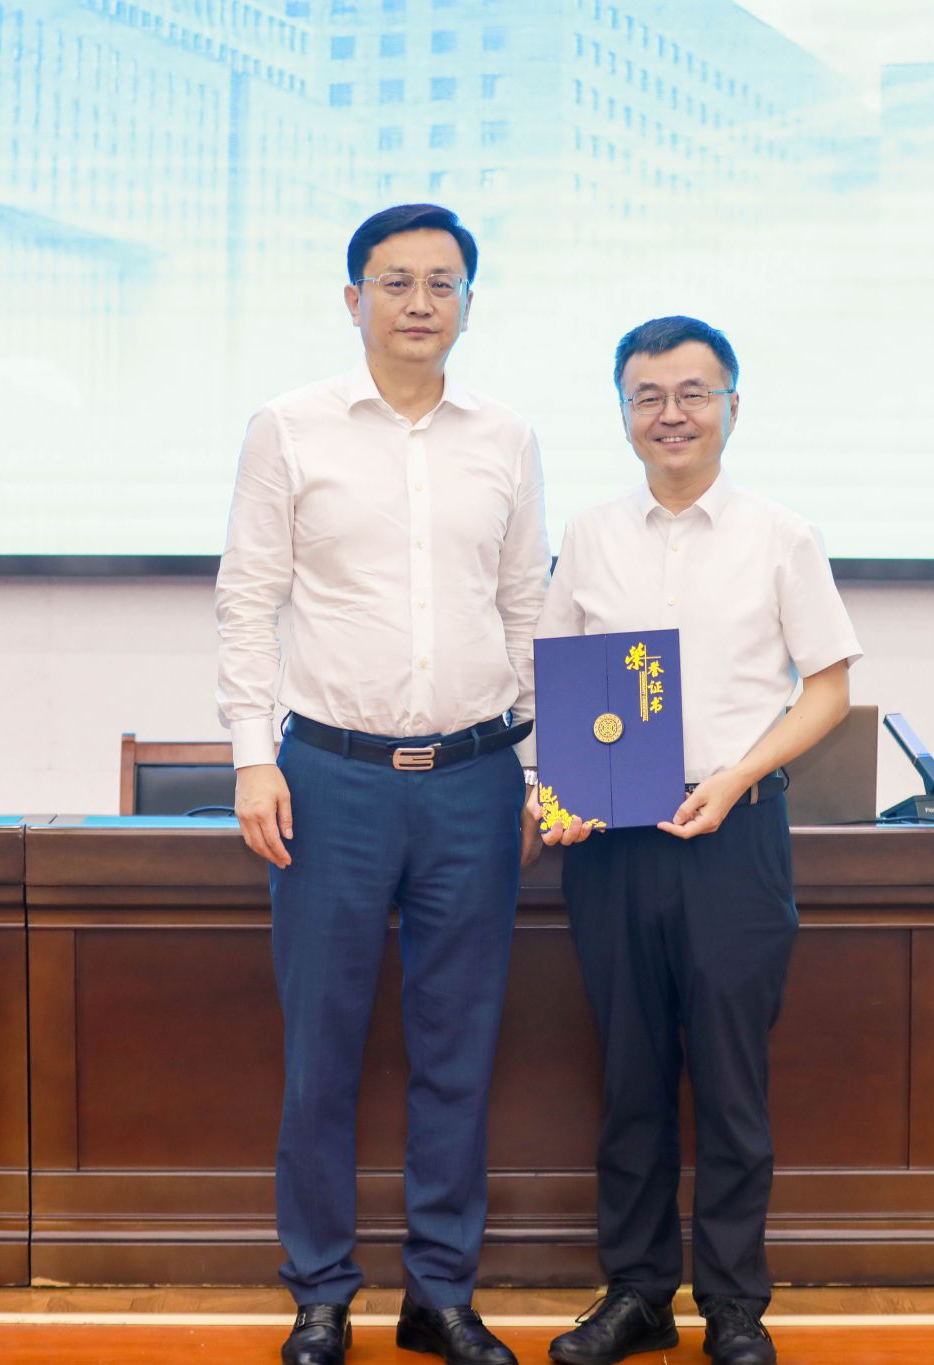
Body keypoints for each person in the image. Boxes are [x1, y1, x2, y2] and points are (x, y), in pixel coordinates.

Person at [216, 203, 547, 1365]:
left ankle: (439, 1294)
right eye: (395, 281)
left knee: (459, 1050)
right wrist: (250, 755)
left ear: (466, 302)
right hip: (330, 778)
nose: (419, 302)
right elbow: (248, 598)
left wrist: (540, 770)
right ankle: (318, 1292)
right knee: (323, 1050)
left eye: (441, 283)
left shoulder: (506, 438)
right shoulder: (287, 428)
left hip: (473, 777)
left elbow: (523, 607)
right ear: (352, 298)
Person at [534, 317, 860, 1365]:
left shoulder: (781, 535)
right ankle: (635, 1293)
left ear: (730, 405)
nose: (669, 414)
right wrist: (555, 794)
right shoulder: (589, 535)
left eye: (691, 393)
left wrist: (737, 774)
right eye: (647, 396)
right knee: (629, 1078)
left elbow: (827, 690)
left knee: (729, 1080)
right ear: (623, 412)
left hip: (734, 834)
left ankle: (733, 1305)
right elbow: (557, 684)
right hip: (612, 840)